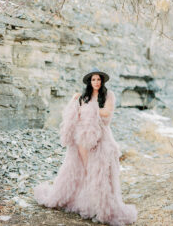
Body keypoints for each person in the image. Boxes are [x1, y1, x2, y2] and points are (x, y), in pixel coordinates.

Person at [33, 67, 137, 225]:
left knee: (100, 171)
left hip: (101, 136)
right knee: (84, 168)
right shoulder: (83, 97)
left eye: (99, 79)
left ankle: (100, 205)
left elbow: (107, 112)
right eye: (93, 79)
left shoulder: (108, 95)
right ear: (90, 82)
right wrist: (77, 101)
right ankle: (85, 202)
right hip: (82, 136)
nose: (96, 82)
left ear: (102, 81)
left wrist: (90, 107)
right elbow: (77, 115)